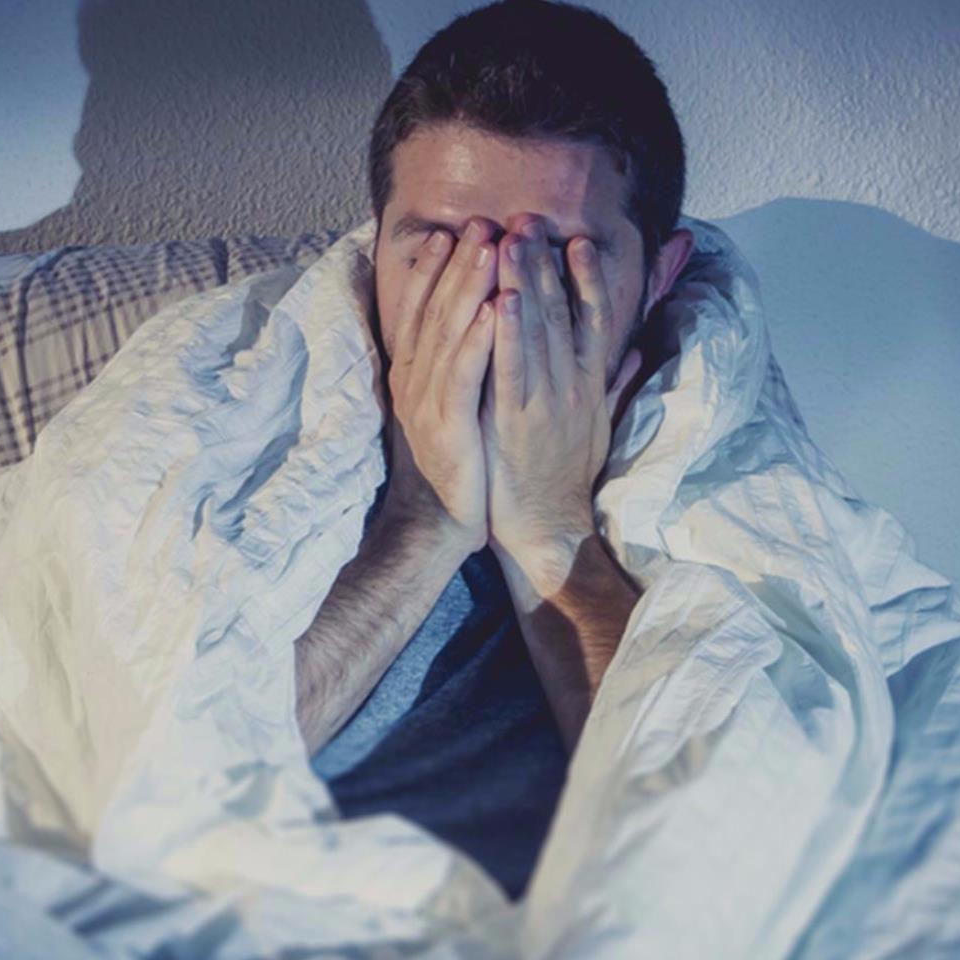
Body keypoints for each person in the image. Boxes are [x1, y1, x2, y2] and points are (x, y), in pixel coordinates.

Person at [291, 0, 697, 899]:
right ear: (374, 244)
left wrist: (550, 526)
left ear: (660, 276)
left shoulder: (710, 456)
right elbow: (158, 794)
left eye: (559, 256)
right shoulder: (262, 415)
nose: (497, 298)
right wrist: (424, 521)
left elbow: (708, 848)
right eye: (439, 248)